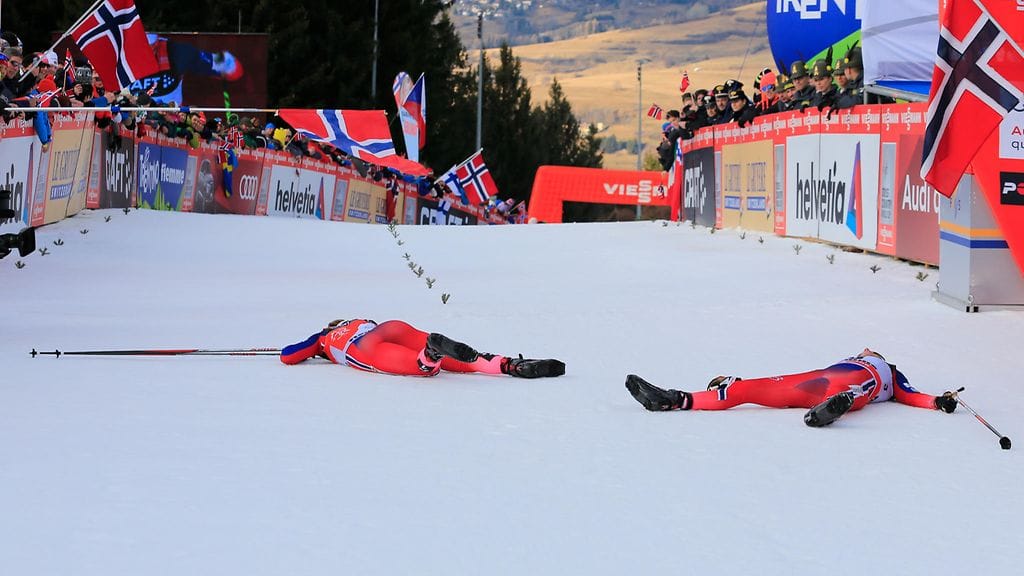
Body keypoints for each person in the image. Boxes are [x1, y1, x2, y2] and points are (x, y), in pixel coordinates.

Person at [624, 348, 958, 427]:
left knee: (855, 393)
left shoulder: (890, 374)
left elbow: (913, 395)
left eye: (872, 350)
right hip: (811, 381)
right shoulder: (851, 358)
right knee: (748, 390)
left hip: (852, 391)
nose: (868, 349)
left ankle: (830, 408)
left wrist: (938, 402)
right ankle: (672, 399)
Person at [281, 318, 566, 379]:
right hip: (388, 327)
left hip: (364, 348)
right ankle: (507, 364)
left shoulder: (324, 338)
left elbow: (288, 355)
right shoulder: (360, 320)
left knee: (421, 366)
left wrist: (318, 347)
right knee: (465, 361)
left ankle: (431, 355)